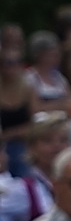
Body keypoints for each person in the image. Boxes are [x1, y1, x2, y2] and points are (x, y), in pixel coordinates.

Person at [0, 112, 71, 221]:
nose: (57, 146)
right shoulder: (21, 190)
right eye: (47, 141)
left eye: (63, 140)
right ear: (32, 147)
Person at [0, 47, 37, 178]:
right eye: (4, 62)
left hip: (21, 141)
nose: (8, 67)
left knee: (19, 155)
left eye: (13, 63)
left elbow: (34, 123)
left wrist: (9, 134)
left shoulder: (28, 89)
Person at [24, 30, 71, 114]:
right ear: (40, 55)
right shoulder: (29, 78)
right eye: (52, 54)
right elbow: (34, 108)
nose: (58, 56)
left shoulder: (58, 77)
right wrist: (60, 105)